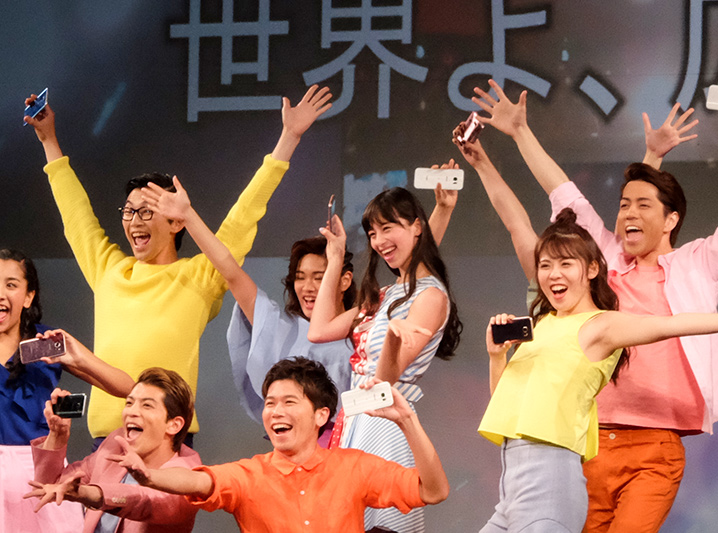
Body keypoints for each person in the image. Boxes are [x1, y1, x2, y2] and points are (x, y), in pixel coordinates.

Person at [470, 79, 718, 531]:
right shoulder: (605, 257)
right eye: (623, 205)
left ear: (671, 220)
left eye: (642, 207)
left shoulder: (699, 263)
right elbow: (561, 190)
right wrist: (520, 132)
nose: (628, 213)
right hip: (589, 442)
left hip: (656, 447)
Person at [24, 85, 333, 446]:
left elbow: (244, 216)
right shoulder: (109, 269)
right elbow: (75, 214)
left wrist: (288, 138)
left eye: (147, 212)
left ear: (174, 221)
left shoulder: (199, 276)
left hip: (169, 440)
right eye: (128, 211)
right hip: (106, 442)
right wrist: (48, 140)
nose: (134, 221)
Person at [477, 209, 718, 533]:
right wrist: (496, 357)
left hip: (550, 482)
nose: (553, 274)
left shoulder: (601, 325)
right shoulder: (541, 325)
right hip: (512, 486)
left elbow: (669, 325)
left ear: (591, 269)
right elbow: (505, 405)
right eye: (545, 265)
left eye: (565, 264)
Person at [138, 167, 457, 448]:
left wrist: (441, 213)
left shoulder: (379, 315)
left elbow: (416, 281)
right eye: (300, 277)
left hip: (368, 432)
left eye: (319, 277)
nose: (308, 286)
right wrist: (189, 217)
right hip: (334, 438)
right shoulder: (347, 314)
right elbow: (231, 272)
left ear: (345, 280)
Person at [106, 357, 449, 533]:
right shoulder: (250, 475)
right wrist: (150, 476)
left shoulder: (355, 466)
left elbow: (433, 491)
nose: (275, 412)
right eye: (270, 403)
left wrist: (407, 420)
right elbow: (198, 481)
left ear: (321, 415)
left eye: (289, 402)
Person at [308, 186, 461, 532]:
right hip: (355, 418)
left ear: (417, 226)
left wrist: (392, 339)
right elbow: (319, 330)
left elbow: (386, 382)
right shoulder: (386, 294)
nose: (378, 241)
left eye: (387, 228)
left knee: (380, 523)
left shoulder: (431, 296)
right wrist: (336, 256)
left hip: (385, 423)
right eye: (372, 233)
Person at [0, 248, 134, 532]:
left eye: (10, 285)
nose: (0, 294)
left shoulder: (44, 344)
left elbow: (128, 388)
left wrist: (79, 356)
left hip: (43, 478)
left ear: (28, 296)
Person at [24, 367, 200, 532]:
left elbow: (142, 500)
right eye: (129, 403)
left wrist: (87, 493)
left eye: (147, 405)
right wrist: (57, 435)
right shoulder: (116, 445)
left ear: (174, 425)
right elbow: (49, 486)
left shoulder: (188, 474)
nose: (131, 412)